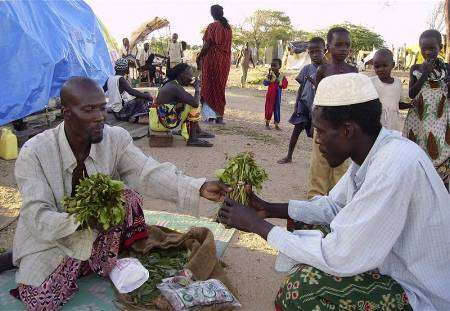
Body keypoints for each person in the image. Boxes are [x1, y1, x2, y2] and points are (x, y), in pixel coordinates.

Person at [218, 73, 450, 311]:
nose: (317, 141)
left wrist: (258, 227)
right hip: (390, 261)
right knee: (305, 224)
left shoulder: (394, 164)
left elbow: (339, 254)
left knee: (302, 290)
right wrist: (268, 209)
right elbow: (334, 207)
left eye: (320, 131)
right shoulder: (374, 152)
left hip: (420, 289)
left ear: (348, 130)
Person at [3, 77, 230, 310]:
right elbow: (37, 215)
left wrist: (198, 186)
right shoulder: (35, 153)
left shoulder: (115, 139)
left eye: (102, 107)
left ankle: (95, 258)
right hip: (53, 235)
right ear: (67, 113)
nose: (100, 116)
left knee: (126, 196)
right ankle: (21, 256)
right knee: (41, 299)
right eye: (89, 110)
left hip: (99, 232)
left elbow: (147, 172)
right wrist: (79, 222)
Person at [307, 27, 358, 199]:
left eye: (347, 45)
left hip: (344, 128)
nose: (343, 49)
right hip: (323, 125)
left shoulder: (353, 71)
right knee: (320, 163)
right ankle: (315, 201)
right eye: (338, 45)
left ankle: (337, 203)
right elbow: (317, 99)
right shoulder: (323, 70)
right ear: (328, 46)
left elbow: (355, 99)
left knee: (341, 167)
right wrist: (315, 122)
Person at [403, 29, 449, 190]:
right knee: (419, 147)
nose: (428, 52)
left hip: (440, 117)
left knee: (439, 147)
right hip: (419, 117)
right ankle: (419, 182)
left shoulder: (446, 69)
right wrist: (425, 73)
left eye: (432, 48)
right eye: (424, 49)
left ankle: (438, 184)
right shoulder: (416, 68)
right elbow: (411, 93)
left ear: (440, 48)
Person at [278, 37, 326, 164]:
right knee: (297, 129)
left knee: (315, 134)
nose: (314, 54)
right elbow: (301, 87)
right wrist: (296, 103)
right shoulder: (306, 69)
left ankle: (320, 160)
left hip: (320, 108)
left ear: (324, 50)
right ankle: (289, 155)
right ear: (308, 52)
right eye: (311, 52)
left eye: (318, 51)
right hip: (304, 104)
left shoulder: (328, 70)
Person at [150, 63, 215, 147]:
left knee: (188, 102)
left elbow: (187, 98)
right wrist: (197, 88)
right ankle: (192, 139)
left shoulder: (171, 83)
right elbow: (194, 103)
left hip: (157, 121)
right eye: (189, 74)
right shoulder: (174, 87)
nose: (191, 77)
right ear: (181, 75)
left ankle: (196, 131)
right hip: (160, 123)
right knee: (194, 106)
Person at [197, 4, 232, 124]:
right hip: (224, 62)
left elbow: (207, 44)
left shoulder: (212, 26)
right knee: (219, 87)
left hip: (212, 61)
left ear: (212, 14)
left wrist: (199, 56)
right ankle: (219, 116)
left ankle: (209, 116)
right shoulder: (228, 28)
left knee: (208, 86)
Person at [370, 48, 412, 130]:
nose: (380, 69)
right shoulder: (371, 83)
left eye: (385, 65)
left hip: (393, 126)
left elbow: (398, 104)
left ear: (392, 65)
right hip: (375, 125)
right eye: (377, 66)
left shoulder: (398, 83)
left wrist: (411, 104)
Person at [103, 58, 152, 123]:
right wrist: (146, 96)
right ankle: (138, 117)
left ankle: (134, 117)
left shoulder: (110, 79)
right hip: (121, 111)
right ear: (125, 69)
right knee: (144, 97)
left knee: (142, 95)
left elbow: (102, 90)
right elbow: (131, 91)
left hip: (113, 109)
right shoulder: (121, 79)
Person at [264, 58, 288, 130]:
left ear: (279, 66)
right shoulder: (270, 75)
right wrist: (268, 78)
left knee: (277, 109)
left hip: (278, 96)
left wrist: (278, 82)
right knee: (269, 109)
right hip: (270, 96)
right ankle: (267, 123)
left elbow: (285, 85)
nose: (273, 67)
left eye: (275, 65)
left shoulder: (282, 77)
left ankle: (276, 124)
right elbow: (265, 83)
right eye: (272, 65)